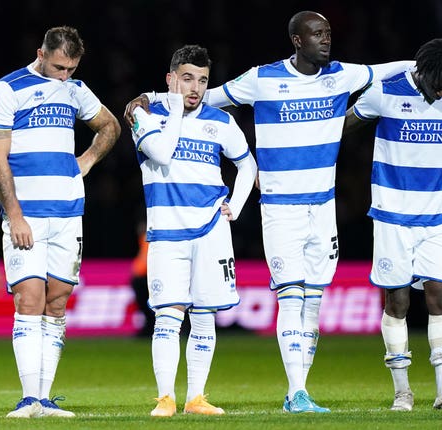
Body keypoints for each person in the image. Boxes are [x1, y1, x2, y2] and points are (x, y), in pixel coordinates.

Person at [125, 11, 413, 413]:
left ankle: (291, 391)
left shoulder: (341, 75)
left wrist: (432, 65)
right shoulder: (261, 79)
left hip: (320, 207)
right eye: (317, 33)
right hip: (275, 210)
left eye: (328, 32)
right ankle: (284, 393)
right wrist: (152, 98)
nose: (326, 39)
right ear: (297, 40)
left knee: (308, 302)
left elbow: (386, 70)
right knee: (286, 299)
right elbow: (206, 99)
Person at [0, 26, 120, 418]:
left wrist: (86, 161)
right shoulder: (7, 90)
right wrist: (14, 215)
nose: (64, 75)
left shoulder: (75, 90)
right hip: (26, 215)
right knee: (29, 299)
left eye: (71, 69)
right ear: (40, 53)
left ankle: (44, 400)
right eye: (59, 67)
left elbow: (110, 126)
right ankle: (28, 398)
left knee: (57, 303)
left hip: (68, 214)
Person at [343, 38, 442, 411]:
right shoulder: (384, 92)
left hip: (439, 215)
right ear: (421, 72)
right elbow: (341, 128)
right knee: (398, 301)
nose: (441, 91)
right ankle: (402, 392)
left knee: (440, 297)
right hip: (392, 216)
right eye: (436, 83)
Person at [131, 45, 257, 417]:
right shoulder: (143, 114)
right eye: (187, 79)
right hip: (167, 231)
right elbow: (162, 153)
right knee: (168, 316)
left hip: (211, 230)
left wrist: (236, 205)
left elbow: (247, 165)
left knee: (204, 315)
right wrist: (169, 106)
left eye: (202, 81)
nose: (195, 88)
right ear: (171, 79)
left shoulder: (221, 121)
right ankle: (165, 398)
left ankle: (196, 398)